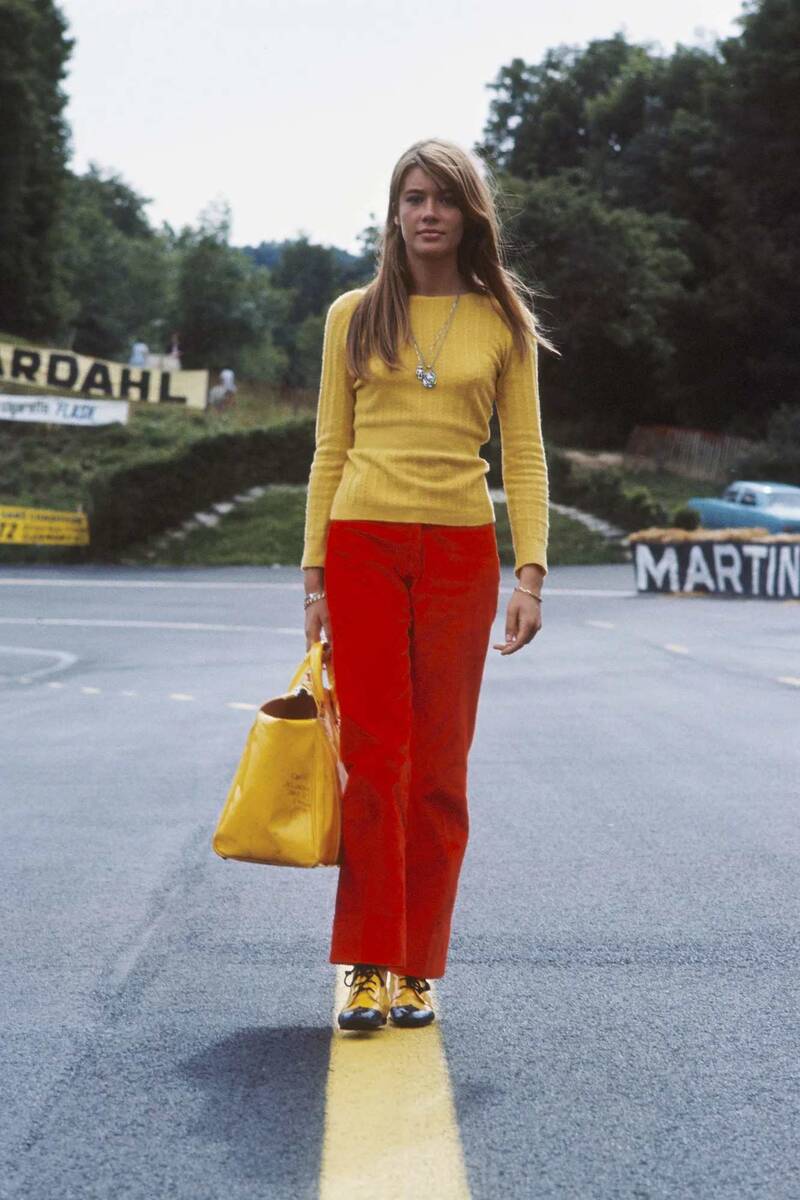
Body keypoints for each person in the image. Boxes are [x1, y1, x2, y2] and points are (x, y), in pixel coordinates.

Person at [302, 137, 556, 1032]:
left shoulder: (502, 322)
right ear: (395, 211)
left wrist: (530, 572)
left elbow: (524, 455)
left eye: (444, 198)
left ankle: (418, 967)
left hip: (458, 553)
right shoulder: (352, 315)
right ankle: (367, 964)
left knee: (440, 768)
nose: (428, 212)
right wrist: (314, 577)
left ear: (469, 213)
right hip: (362, 546)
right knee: (375, 759)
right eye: (414, 197)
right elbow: (329, 449)